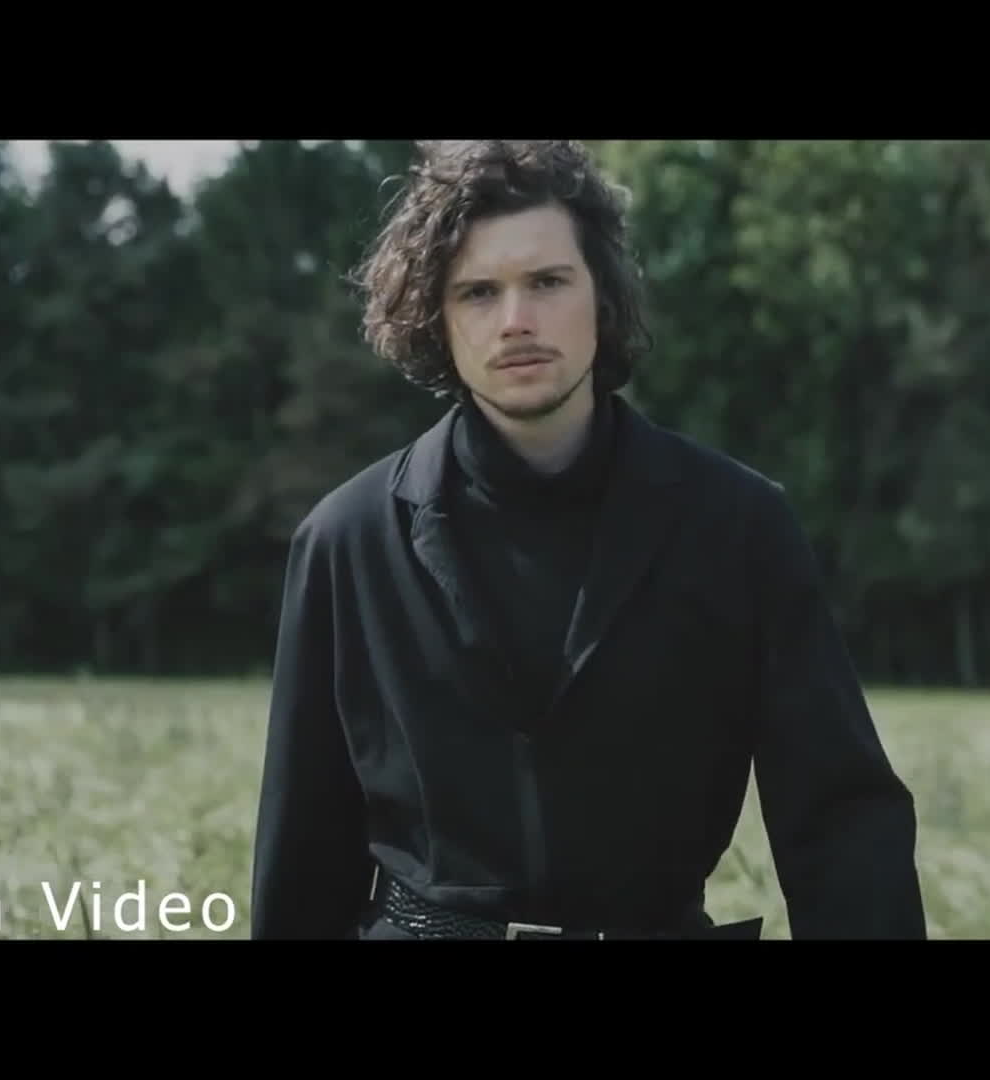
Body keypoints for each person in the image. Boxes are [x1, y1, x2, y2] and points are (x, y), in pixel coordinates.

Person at [249, 140, 928, 940]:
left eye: (547, 281)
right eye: (478, 292)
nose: (516, 320)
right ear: (437, 316)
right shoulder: (347, 540)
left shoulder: (739, 525)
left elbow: (841, 824)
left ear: (601, 294)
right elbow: (305, 853)